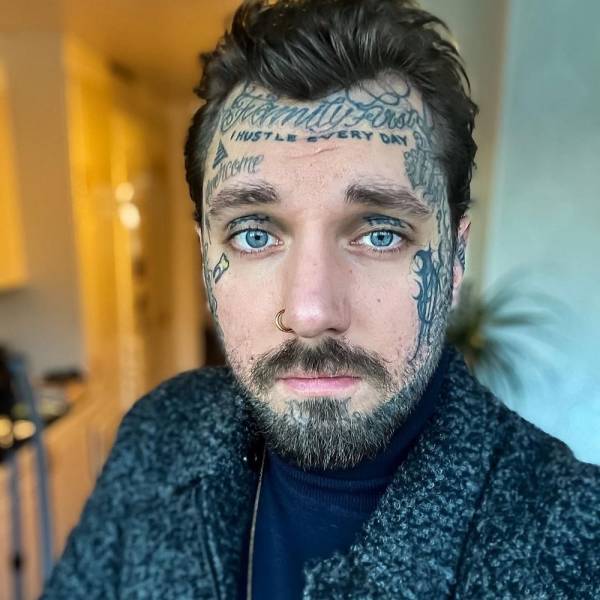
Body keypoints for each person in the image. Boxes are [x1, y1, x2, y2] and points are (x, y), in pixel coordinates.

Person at [42, 0, 599, 598]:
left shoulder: (576, 544)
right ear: (206, 255)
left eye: (380, 234)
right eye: (254, 235)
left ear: (454, 258)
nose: (310, 314)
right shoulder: (157, 435)